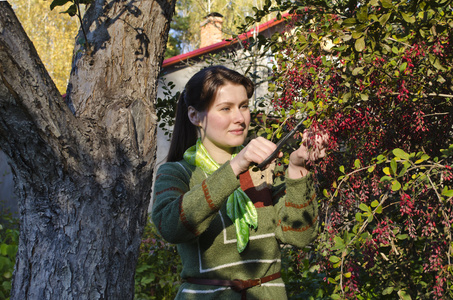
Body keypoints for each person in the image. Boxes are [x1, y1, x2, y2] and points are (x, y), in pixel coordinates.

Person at [152, 65, 328, 299]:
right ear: (194, 116)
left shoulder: (262, 169)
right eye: (225, 108)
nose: (239, 118)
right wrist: (235, 167)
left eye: (243, 106)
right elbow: (171, 226)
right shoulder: (178, 173)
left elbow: (299, 235)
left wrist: (297, 168)